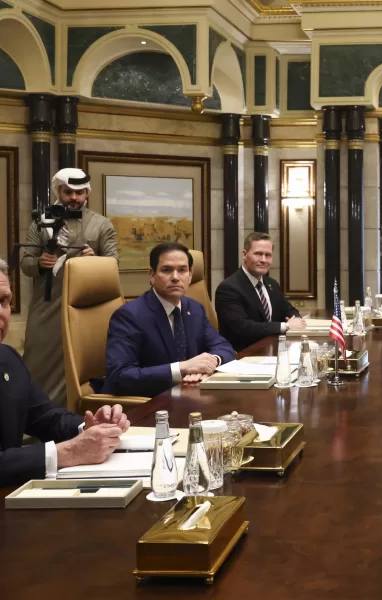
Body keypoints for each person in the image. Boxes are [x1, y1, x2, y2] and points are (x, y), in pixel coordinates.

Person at [0, 257, 129, 487]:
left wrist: (87, 426)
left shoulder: (7, 358)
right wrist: (68, 452)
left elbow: (45, 418)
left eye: (4, 301)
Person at [20, 168, 118, 406]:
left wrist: (95, 260)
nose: (74, 197)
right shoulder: (40, 223)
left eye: (79, 192)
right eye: (68, 192)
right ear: (58, 191)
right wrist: (40, 263)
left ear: (87, 194)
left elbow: (113, 264)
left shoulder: (102, 225)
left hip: (88, 308)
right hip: (48, 305)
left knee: (84, 364)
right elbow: (25, 262)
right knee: (38, 362)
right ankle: (36, 425)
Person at [104, 243, 235, 398]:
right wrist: (182, 368)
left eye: (182, 270)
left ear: (190, 275)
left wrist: (210, 362)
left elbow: (224, 347)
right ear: (152, 275)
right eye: (167, 270)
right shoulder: (130, 315)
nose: (175, 277)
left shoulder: (194, 308)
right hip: (150, 404)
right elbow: (120, 376)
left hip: (189, 396)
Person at [215, 232, 306, 351]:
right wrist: (287, 326)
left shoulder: (272, 284)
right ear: (244, 254)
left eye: (268, 255)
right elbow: (244, 327)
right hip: (242, 356)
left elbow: (288, 310)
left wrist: (296, 319)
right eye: (258, 254)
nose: (263, 260)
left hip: (273, 350)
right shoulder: (228, 288)